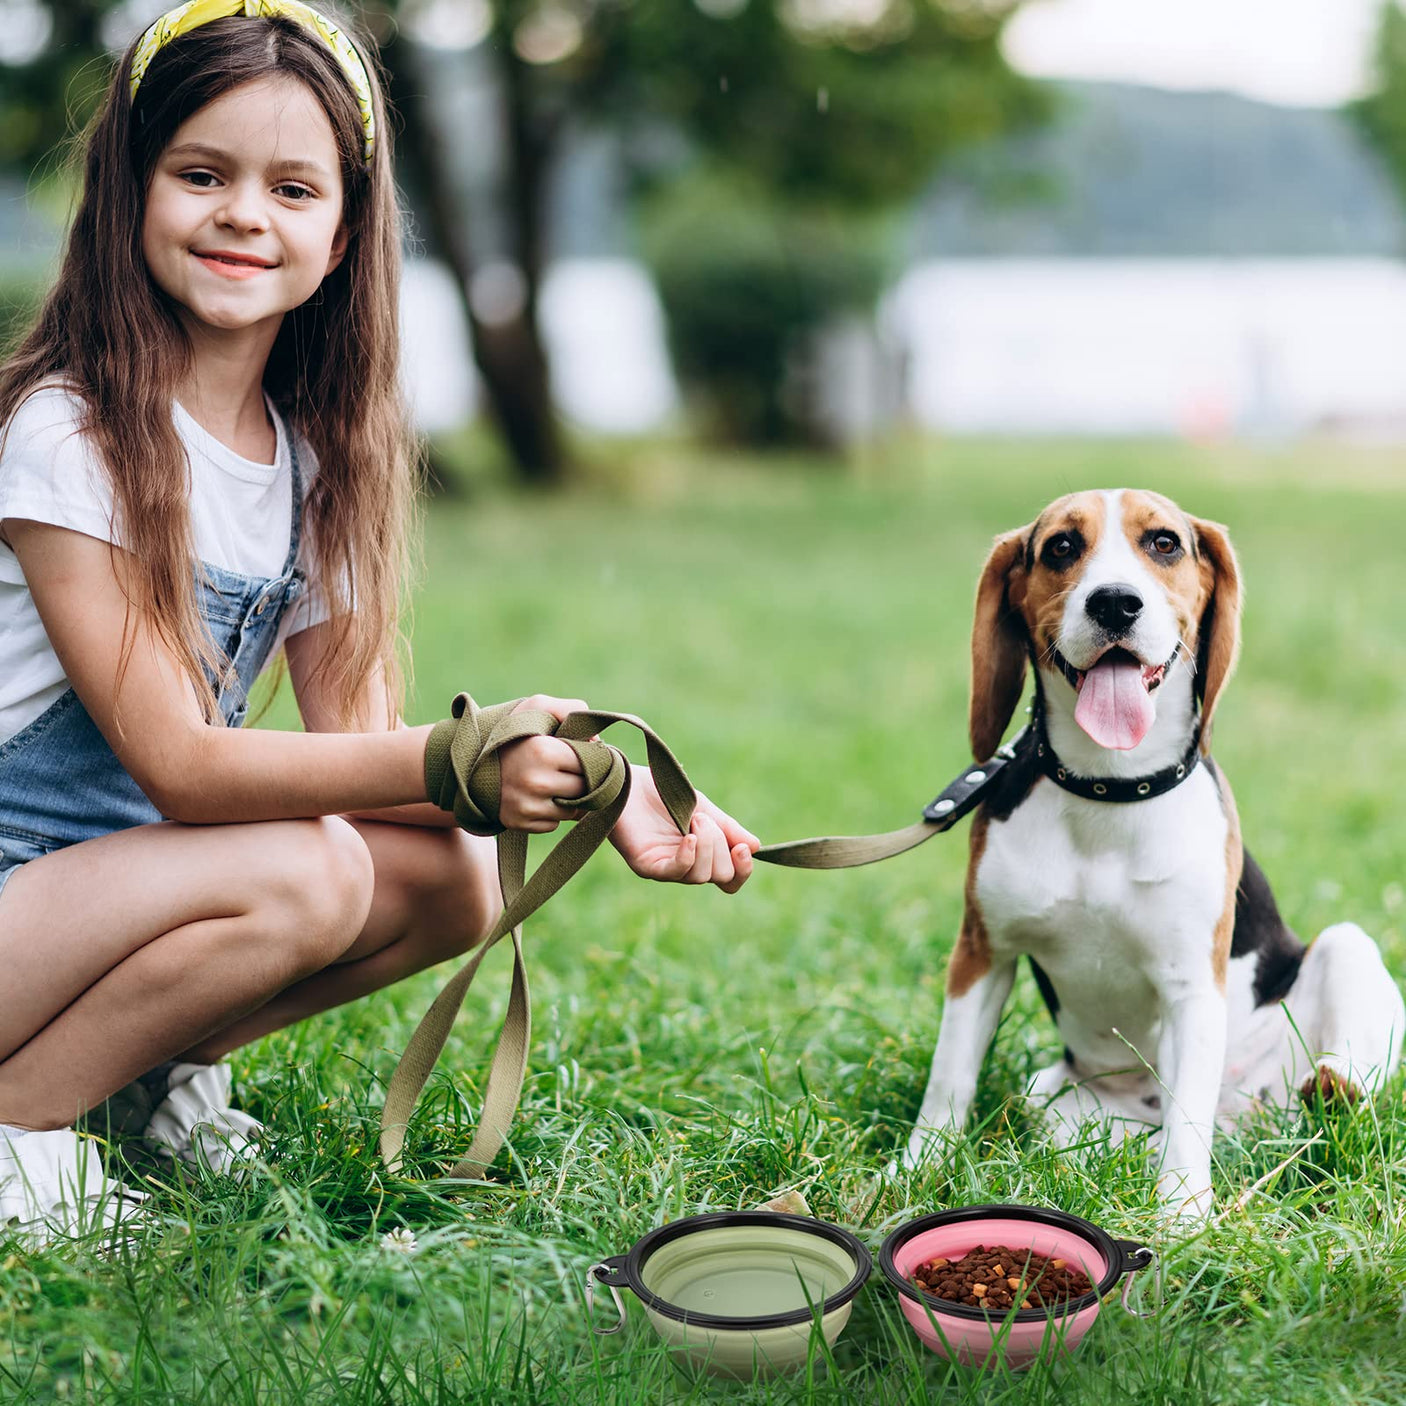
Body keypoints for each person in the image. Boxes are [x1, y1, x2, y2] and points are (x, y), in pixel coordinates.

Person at [0, 1, 757, 1246]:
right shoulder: (67, 434)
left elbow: (359, 754)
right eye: (202, 174)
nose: (247, 214)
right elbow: (183, 767)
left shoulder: (318, 457)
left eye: (294, 189)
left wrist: (596, 780)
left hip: (110, 900)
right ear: (129, 190)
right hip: (27, 889)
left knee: (443, 876)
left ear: (346, 231)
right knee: (307, 866)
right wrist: (467, 749)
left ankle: (133, 1083)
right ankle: (24, 1125)